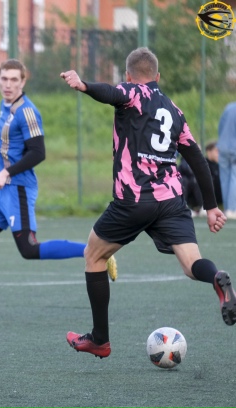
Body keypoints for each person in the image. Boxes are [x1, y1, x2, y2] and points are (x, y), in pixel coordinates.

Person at [60, 47, 236, 359]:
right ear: (158, 76)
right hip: (172, 200)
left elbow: (109, 93)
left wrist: (84, 85)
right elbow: (197, 158)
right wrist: (211, 207)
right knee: (191, 264)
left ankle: (100, 339)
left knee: (94, 256)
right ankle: (216, 277)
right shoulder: (174, 110)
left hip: (133, 199)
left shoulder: (132, 92)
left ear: (128, 76)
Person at [0, 59, 117, 322]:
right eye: (4, 79)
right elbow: (6, 135)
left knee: (29, 249)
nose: (8, 84)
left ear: (23, 82)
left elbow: (38, 152)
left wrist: (6, 173)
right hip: (1, 192)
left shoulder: (28, 112)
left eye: (14, 80)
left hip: (18, 190)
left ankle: (96, 251)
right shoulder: (7, 105)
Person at [178, 141, 222, 216]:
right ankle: (186, 207)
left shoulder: (217, 166)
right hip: (190, 192)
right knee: (191, 181)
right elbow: (184, 171)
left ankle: (204, 207)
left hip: (211, 196)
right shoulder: (184, 162)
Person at [218, 102, 236, 219]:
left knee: (224, 178)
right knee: (234, 177)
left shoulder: (229, 107)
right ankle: (232, 209)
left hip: (223, 146)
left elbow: (221, 126)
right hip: (234, 148)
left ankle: (227, 207)